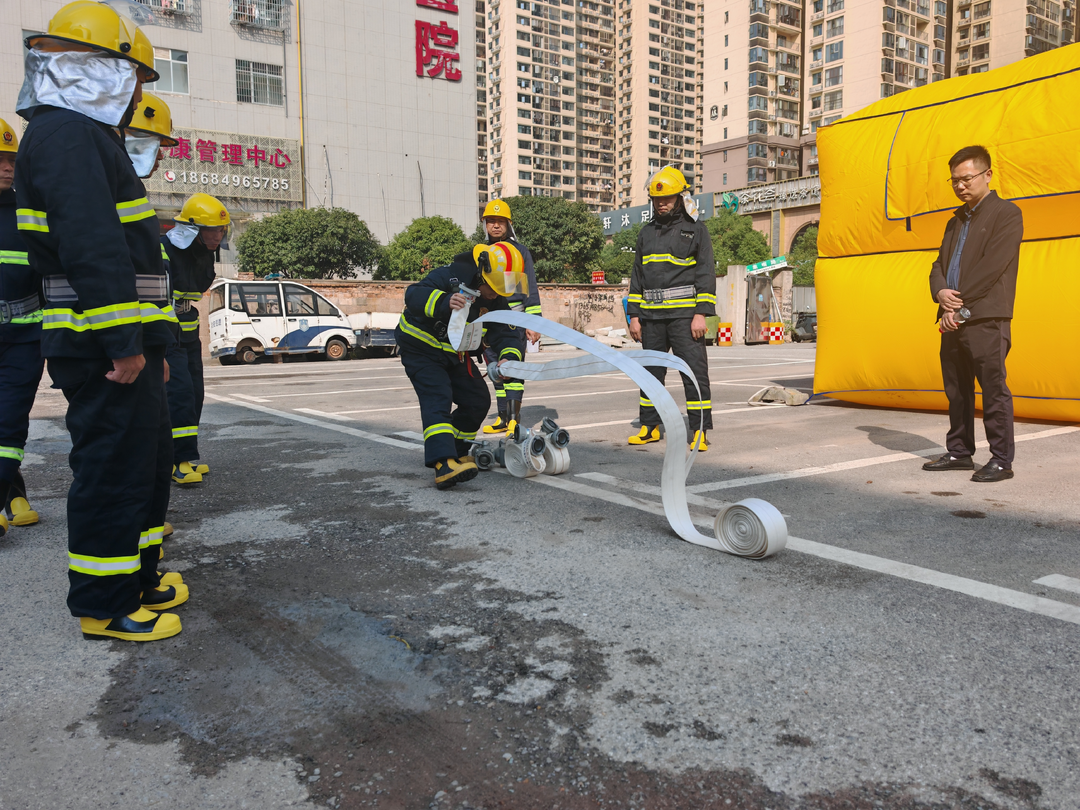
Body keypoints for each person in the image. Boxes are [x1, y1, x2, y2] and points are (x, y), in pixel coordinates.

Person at [16, 0, 186, 641]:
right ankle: (102, 604)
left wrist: (153, 340)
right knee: (113, 471)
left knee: (140, 463)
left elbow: (135, 262)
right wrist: (123, 342)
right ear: (96, 67)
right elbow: (92, 247)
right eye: (135, 76)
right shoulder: (67, 135)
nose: (137, 91)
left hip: (120, 341)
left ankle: (134, 581)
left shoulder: (83, 136)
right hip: (100, 344)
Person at [924, 145, 1023, 483]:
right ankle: (960, 452)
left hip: (985, 319)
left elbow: (992, 269)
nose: (960, 185)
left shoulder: (1006, 214)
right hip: (951, 317)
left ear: (988, 175)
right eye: (954, 180)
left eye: (966, 178)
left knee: (993, 389)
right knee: (957, 390)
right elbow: (938, 264)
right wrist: (940, 292)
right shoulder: (955, 221)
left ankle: (1001, 460)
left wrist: (961, 310)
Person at [396, 242, 528, 489]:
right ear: (481, 273)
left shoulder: (495, 296)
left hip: (455, 353)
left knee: (477, 400)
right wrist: (445, 301)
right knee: (438, 396)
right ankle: (443, 463)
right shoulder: (450, 274)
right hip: (421, 348)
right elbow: (413, 294)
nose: (498, 294)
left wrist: (509, 358)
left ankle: (456, 452)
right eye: (494, 286)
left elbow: (507, 333)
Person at [626, 165, 716, 450]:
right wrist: (635, 317)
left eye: (667, 198)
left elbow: (705, 273)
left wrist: (701, 313)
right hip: (651, 319)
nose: (661, 203)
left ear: (680, 197)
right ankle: (650, 427)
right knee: (649, 375)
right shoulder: (646, 233)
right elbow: (637, 276)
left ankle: (699, 431)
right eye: (656, 199)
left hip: (685, 318)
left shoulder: (695, 230)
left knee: (694, 374)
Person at [162, 193, 229, 485]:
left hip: (188, 329)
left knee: (195, 394)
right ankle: (177, 462)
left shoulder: (203, 252)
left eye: (221, 230)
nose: (218, 235)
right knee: (179, 395)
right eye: (213, 230)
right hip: (166, 332)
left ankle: (186, 457)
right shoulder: (164, 250)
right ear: (193, 229)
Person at [0, 119, 44, 537]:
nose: (7, 167)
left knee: (9, 423)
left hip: (24, 336)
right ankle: (13, 494)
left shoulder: (29, 212)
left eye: (11, 159)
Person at [478, 199, 541, 436]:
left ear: (508, 224)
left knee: (512, 370)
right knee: (495, 371)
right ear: (485, 224)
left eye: (500, 221)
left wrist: (533, 322)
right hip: (489, 323)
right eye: (491, 221)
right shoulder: (481, 252)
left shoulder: (520, 251)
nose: (495, 226)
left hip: (514, 323)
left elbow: (530, 287)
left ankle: (514, 420)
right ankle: (503, 418)